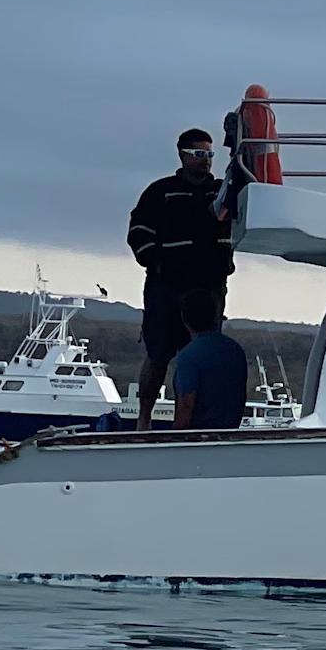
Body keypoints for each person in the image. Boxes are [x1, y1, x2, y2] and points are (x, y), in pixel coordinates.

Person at [127, 128, 233, 430]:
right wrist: (157, 264)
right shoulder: (159, 192)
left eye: (211, 155)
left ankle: (185, 424)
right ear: (182, 155)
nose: (207, 161)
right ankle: (143, 422)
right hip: (167, 288)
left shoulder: (222, 192)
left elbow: (241, 214)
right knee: (158, 353)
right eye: (200, 154)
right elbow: (138, 234)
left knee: (199, 356)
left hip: (209, 287)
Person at [168, 288, 249, 430]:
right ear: (216, 315)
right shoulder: (235, 351)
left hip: (198, 439)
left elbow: (186, 406)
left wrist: (174, 436)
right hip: (230, 435)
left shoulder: (188, 357)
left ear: (184, 318)